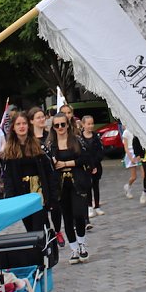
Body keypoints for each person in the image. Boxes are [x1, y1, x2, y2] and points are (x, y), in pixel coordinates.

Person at [47, 112, 93, 264]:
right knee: (66, 217)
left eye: (63, 124)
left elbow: (85, 158)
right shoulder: (50, 145)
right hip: (60, 185)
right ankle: (73, 249)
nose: (60, 127)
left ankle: (82, 244)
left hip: (77, 182)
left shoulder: (76, 140)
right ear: (53, 127)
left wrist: (66, 164)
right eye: (57, 125)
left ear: (67, 124)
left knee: (79, 214)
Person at [2, 111, 58, 233]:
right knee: (30, 229)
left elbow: (49, 173)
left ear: (28, 125)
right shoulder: (9, 150)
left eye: (24, 123)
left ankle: (43, 249)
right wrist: (10, 199)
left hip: (38, 192)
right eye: (18, 124)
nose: (21, 126)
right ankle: (38, 250)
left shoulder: (38, 146)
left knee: (39, 226)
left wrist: (52, 197)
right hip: (21, 193)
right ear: (13, 128)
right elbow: (8, 177)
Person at [79, 115, 105, 218]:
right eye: (88, 124)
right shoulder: (80, 138)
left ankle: (97, 206)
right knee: (88, 187)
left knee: (96, 185)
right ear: (83, 124)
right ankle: (89, 206)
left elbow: (100, 152)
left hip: (97, 165)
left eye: (92, 124)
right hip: (86, 166)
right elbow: (81, 153)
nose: (90, 126)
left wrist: (95, 164)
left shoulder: (96, 137)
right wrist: (89, 165)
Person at [121, 127, 143, 199]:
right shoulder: (126, 132)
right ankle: (128, 187)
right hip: (130, 153)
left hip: (138, 153)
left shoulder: (137, 130)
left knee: (145, 175)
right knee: (134, 177)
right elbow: (126, 148)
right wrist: (131, 158)